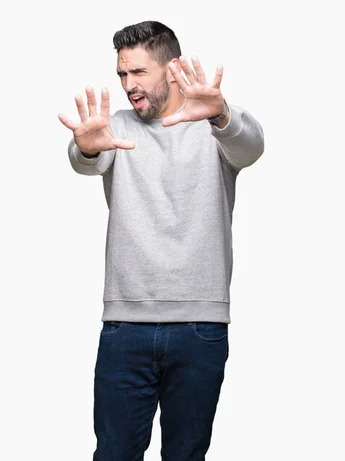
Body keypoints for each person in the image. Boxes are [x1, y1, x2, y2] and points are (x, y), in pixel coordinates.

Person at [58, 20, 264, 461]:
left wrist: (221, 114)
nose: (128, 85)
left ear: (171, 69)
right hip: (124, 326)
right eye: (121, 75)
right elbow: (85, 160)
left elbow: (251, 147)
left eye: (138, 73)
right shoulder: (116, 128)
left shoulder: (216, 126)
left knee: (186, 455)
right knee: (113, 454)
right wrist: (88, 148)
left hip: (200, 325)